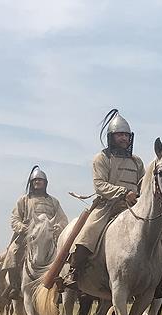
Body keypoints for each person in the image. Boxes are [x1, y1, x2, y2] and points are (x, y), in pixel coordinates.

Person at [63, 109, 145, 289]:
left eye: (126, 135)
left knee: (159, 233)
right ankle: (74, 271)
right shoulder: (102, 158)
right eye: (119, 135)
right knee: (88, 233)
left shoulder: (137, 161)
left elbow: (143, 184)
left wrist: (141, 197)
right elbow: (99, 185)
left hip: (134, 207)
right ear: (111, 137)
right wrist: (124, 192)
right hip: (107, 206)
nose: (124, 138)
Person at [2, 166, 68, 299]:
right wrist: (23, 228)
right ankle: (15, 286)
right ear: (31, 183)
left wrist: (57, 227)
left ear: (45, 183)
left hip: (49, 236)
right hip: (28, 235)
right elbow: (15, 219)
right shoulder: (24, 200)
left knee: (64, 256)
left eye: (40, 180)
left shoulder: (53, 201)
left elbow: (63, 219)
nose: (38, 182)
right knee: (11, 253)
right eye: (35, 180)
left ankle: (61, 286)